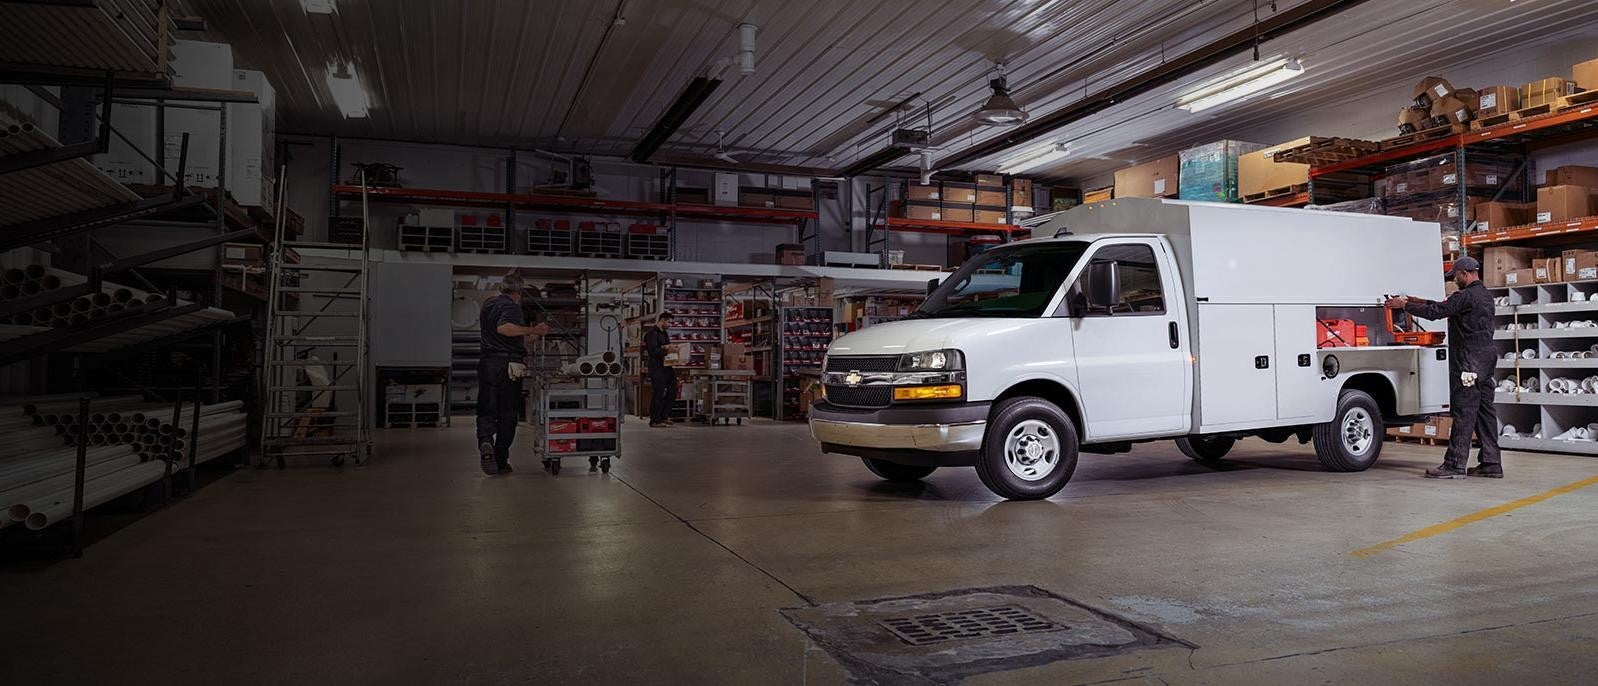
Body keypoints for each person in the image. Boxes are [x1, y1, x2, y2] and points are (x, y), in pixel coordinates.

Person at [1385, 255, 1501, 479]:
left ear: (1464, 274)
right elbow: (1444, 307)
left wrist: (1405, 306)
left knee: (1464, 412)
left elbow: (1437, 313)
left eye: (1455, 276)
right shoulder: (1484, 296)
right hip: (1485, 361)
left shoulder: (1465, 296)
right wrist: (1418, 300)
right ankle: (1491, 463)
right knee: (1485, 413)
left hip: (1468, 363)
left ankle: (1454, 465)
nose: (1454, 279)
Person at [477, 274, 547, 475]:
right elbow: (504, 328)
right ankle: (500, 459)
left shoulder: (487, 306)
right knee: (507, 413)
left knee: (487, 408)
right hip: (509, 366)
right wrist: (534, 329)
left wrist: (529, 337)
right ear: (519, 291)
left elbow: (506, 336)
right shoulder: (511, 306)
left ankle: (485, 441)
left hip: (488, 363)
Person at [643, 312, 677, 428]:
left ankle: (664, 416)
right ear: (662, 320)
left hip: (667, 367)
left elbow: (665, 347)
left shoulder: (665, 334)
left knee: (673, 390)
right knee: (658, 393)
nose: (670, 325)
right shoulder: (651, 334)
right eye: (669, 322)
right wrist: (667, 350)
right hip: (657, 368)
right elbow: (653, 351)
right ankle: (654, 420)